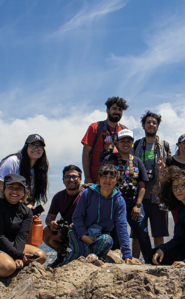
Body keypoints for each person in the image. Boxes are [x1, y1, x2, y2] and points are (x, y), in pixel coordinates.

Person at [0, 174, 46, 281]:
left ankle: (10, 266)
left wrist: (17, 256)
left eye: (19, 188)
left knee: (40, 256)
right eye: (10, 187)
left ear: (24, 192)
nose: (14, 191)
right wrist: (18, 255)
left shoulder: (26, 212)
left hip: (11, 245)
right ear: (4, 189)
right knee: (8, 266)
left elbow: (22, 236)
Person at [64, 164, 138, 265]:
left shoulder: (119, 201)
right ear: (99, 178)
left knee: (107, 240)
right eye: (104, 177)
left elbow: (122, 227)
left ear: (116, 180)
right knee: (81, 251)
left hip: (99, 237)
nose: (107, 180)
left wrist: (127, 255)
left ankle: (92, 256)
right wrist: (84, 235)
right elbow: (77, 217)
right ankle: (65, 265)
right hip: (79, 233)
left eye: (111, 178)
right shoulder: (87, 194)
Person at [101, 129, 152, 263]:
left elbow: (142, 186)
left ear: (132, 143)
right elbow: (102, 182)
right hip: (113, 206)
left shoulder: (137, 161)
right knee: (115, 236)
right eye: (122, 141)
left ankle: (150, 262)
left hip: (133, 206)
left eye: (128, 141)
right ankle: (116, 263)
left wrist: (138, 205)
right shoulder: (109, 159)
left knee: (142, 234)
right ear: (117, 143)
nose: (125, 144)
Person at [0, 134, 49, 215]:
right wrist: (12, 211)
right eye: (32, 145)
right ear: (26, 147)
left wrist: (29, 208)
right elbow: (0, 190)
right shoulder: (12, 162)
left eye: (40, 146)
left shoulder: (39, 170)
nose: (36, 149)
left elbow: (31, 195)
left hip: (14, 204)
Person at [132, 110, 172, 251]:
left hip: (158, 196)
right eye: (148, 122)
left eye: (154, 123)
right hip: (139, 197)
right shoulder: (136, 145)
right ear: (143, 126)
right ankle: (134, 262)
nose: (151, 125)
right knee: (137, 233)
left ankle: (157, 262)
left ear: (158, 127)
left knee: (158, 233)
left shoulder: (165, 146)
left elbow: (170, 171)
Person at [43, 165, 84, 268]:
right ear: (63, 180)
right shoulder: (58, 196)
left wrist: (77, 225)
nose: (71, 180)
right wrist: (51, 223)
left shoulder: (87, 195)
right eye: (67, 177)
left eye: (74, 177)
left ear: (80, 179)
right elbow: (50, 216)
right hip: (66, 233)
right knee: (46, 233)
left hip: (84, 234)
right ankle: (63, 255)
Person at [81, 97, 129, 183]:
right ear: (107, 110)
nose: (117, 112)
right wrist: (87, 177)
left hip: (117, 180)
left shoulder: (125, 130)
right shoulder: (95, 127)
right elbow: (86, 153)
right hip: (96, 179)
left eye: (120, 110)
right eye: (114, 109)